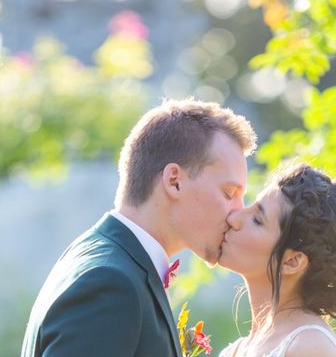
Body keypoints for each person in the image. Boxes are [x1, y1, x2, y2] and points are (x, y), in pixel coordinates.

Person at [21, 98, 256, 357]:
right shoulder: (110, 283)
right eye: (229, 193)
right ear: (174, 181)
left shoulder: (109, 262)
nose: (238, 213)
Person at [219, 163, 336, 357]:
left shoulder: (310, 347)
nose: (234, 218)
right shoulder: (236, 350)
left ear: (292, 261)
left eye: (257, 220)